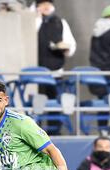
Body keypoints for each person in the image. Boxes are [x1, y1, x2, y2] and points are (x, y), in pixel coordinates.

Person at [34, 0, 76, 135]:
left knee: (55, 103)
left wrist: (65, 48)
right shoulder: (32, 21)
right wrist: (37, 19)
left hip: (55, 72)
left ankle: (54, 131)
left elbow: (71, 43)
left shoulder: (60, 22)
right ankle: (35, 131)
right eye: (42, 4)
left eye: (48, 4)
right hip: (36, 73)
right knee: (38, 103)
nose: (45, 7)